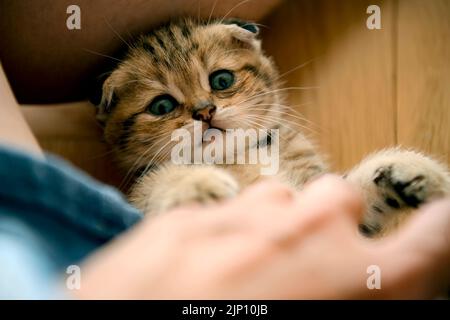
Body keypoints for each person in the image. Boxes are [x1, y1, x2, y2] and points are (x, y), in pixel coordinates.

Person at [0, 1, 449, 299]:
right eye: (162, 105)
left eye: (221, 81)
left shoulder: (286, 145)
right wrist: (179, 190)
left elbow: (332, 220)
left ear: (260, 65)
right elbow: (155, 201)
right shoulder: (164, 178)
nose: (203, 109)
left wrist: (367, 190)